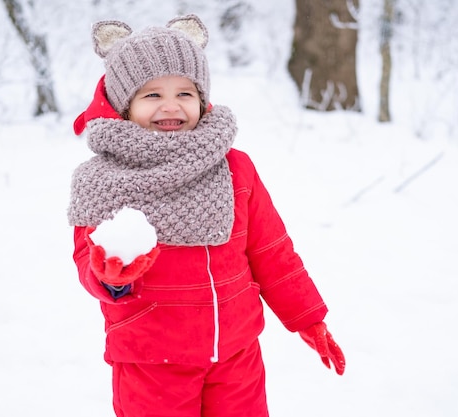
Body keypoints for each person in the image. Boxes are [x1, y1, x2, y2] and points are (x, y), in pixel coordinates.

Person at [68, 14, 345, 417]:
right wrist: (110, 277)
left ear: (202, 99)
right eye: (151, 95)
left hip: (236, 356)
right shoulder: (105, 180)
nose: (170, 106)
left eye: (185, 93)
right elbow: (86, 257)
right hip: (150, 360)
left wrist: (308, 317)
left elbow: (272, 251)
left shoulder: (234, 168)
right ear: (124, 108)